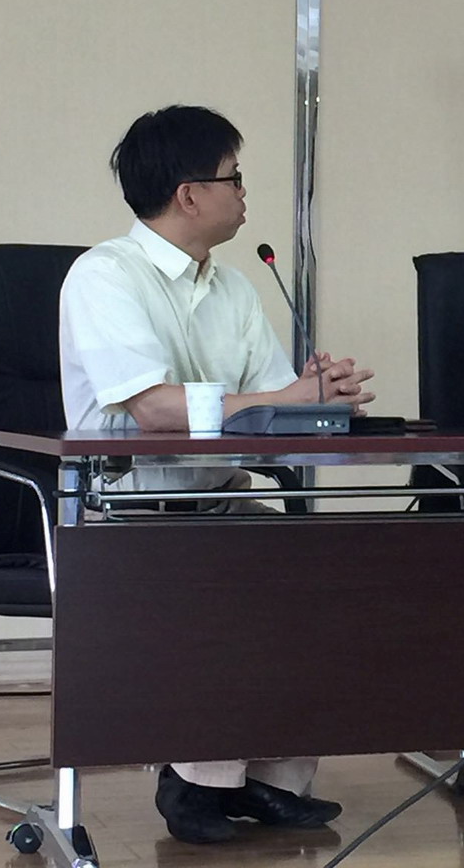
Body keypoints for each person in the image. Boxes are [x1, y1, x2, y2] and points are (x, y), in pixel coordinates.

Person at [59, 105, 375, 845]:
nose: (243, 191)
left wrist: (319, 399)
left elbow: (270, 410)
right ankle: (196, 783)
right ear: (189, 193)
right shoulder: (105, 275)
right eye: (234, 177)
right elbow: (152, 409)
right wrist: (288, 398)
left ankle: (270, 781)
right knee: (232, 585)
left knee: (331, 577)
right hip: (132, 514)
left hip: (223, 501)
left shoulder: (233, 288)